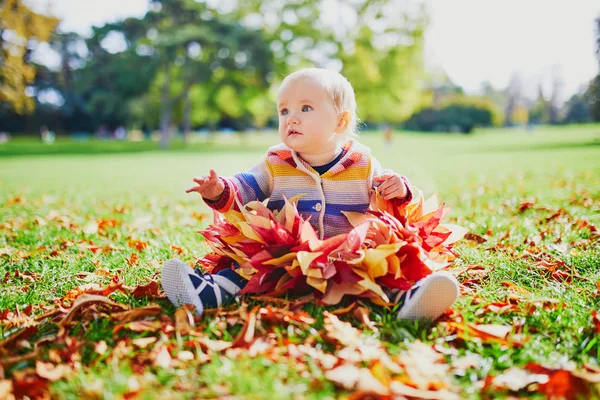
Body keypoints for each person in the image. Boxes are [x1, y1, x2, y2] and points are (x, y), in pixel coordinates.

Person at [162, 68, 459, 320]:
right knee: (252, 269)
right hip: (289, 260)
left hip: (348, 257)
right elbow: (246, 186)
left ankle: (410, 300)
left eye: (305, 108)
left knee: (380, 269)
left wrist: (400, 188)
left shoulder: (363, 162)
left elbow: (390, 198)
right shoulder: (276, 161)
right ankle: (207, 292)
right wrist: (219, 190)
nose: (291, 118)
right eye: (284, 110)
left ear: (340, 122)